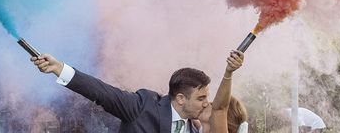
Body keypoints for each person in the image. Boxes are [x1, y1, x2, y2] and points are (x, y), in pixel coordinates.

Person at [32, 50, 244, 133]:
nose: (207, 102)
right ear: (180, 98)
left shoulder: (196, 129)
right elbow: (103, 92)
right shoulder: (143, 106)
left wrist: (229, 72)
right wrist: (59, 68)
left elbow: (220, 110)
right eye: (201, 98)